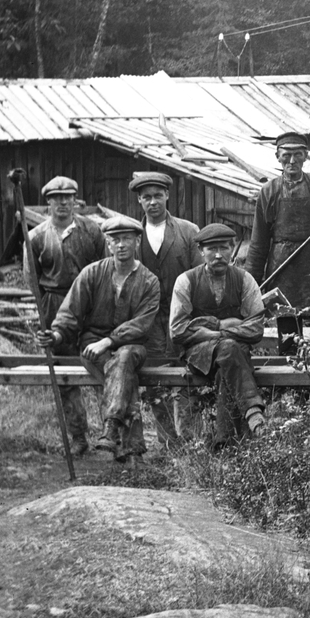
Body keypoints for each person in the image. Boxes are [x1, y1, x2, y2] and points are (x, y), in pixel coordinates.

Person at [35, 215, 160, 460]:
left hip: (133, 346)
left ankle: (111, 427)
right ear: (108, 243)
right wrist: (56, 335)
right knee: (124, 373)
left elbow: (141, 325)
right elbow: (71, 312)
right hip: (92, 347)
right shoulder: (92, 273)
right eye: (115, 239)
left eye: (127, 239)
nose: (121, 245)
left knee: (124, 357)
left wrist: (109, 341)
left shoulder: (149, 281)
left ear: (137, 242)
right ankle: (132, 451)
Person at [24, 175, 106, 456]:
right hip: (54, 305)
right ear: (48, 202)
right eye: (56, 199)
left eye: (67, 198)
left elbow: (103, 269)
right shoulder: (36, 237)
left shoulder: (92, 231)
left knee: (100, 365)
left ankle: (111, 433)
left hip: (89, 306)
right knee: (64, 375)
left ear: (75, 200)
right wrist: (44, 315)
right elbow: (32, 280)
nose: (62, 203)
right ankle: (79, 437)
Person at [170, 223, 267, 451]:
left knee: (229, 355)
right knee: (231, 348)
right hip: (199, 356)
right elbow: (178, 331)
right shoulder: (186, 281)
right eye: (211, 249)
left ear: (232, 249)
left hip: (233, 356)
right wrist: (222, 324)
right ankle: (252, 411)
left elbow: (256, 328)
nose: (218, 255)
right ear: (200, 251)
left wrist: (214, 332)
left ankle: (224, 444)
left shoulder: (245, 280)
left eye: (223, 248)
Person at [243, 131, 310, 352]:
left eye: (297, 155)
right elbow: (258, 243)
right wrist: (251, 284)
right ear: (278, 157)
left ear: (305, 156)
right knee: (286, 323)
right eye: (286, 155)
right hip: (282, 267)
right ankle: (288, 366)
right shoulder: (269, 191)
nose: (292, 161)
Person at [129, 171, 201, 451]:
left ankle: (190, 440)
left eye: (158, 195)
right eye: (146, 197)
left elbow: (199, 275)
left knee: (186, 376)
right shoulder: (133, 236)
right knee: (155, 379)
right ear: (139, 200)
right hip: (148, 319)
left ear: (167, 196)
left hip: (182, 315)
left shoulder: (187, 231)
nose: (153, 202)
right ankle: (168, 442)